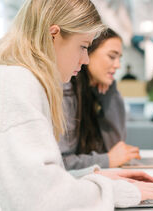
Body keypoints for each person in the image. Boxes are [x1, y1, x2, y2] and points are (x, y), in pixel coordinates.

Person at [0, 0, 153, 210]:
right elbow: (44, 199)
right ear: (53, 35)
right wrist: (119, 191)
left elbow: (31, 184)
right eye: (84, 46)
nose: (85, 59)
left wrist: (98, 175)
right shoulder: (17, 83)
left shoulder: (9, 75)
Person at [59, 28, 140, 170]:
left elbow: (115, 144)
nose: (117, 65)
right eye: (112, 56)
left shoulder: (92, 92)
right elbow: (62, 163)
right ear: (88, 53)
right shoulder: (66, 90)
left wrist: (110, 93)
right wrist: (107, 160)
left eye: (119, 58)